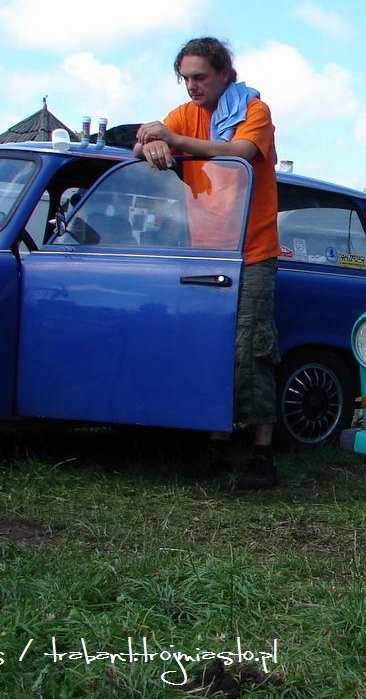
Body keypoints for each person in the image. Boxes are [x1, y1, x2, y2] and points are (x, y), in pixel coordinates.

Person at [133, 36, 282, 491]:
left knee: (252, 349)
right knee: (211, 346)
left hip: (252, 251)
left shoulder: (254, 110)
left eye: (199, 77)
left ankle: (262, 455)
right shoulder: (184, 114)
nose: (191, 86)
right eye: (185, 78)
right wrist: (149, 146)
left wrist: (173, 140)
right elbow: (144, 141)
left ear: (224, 74)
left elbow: (242, 153)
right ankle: (215, 445)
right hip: (204, 250)